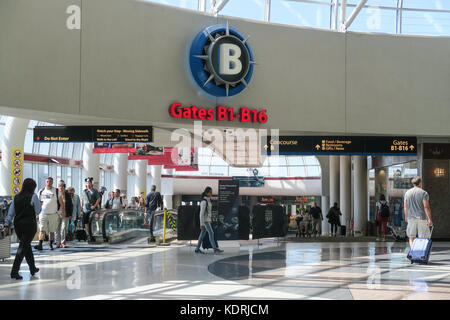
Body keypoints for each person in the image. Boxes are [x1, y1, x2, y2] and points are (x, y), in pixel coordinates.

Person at [3, 178, 41, 280]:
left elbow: (10, 213)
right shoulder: (33, 196)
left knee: (26, 246)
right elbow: (38, 210)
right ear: (32, 187)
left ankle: (32, 268)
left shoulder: (16, 198)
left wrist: (6, 225)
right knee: (22, 248)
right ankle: (14, 272)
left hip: (18, 226)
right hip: (30, 225)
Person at [404, 177, 433, 249]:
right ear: (420, 183)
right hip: (421, 218)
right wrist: (429, 219)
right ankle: (421, 253)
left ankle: (413, 252)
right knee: (423, 237)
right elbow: (426, 206)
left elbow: (405, 207)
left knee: (411, 237)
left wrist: (406, 216)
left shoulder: (407, 193)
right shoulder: (423, 193)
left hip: (411, 218)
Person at [194, 187, 223, 254]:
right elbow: (201, 214)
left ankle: (197, 249)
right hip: (205, 221)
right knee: (211, 233)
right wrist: (201, 224)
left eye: (211, 192)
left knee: (202, 235)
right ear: (207, 193)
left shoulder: (208, 200)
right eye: (210, 192)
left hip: (207, 220)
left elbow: (208, 212)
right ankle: (215, 249)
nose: (211, 193)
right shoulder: (204, 201)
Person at [34, 177, 59, 251]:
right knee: (42, 229)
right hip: (43, 214)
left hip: (53, 214)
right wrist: (37, 212)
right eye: (47, 181)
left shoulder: (56, 191)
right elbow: (39, 202)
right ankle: (40, 244)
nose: (49, 183)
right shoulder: (41, 191)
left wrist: (63, 211)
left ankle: (50, 244)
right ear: (45, 182)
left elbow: (61, 201)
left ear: (53, 182)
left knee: (52, 231)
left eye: (50, 181)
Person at [81, 177, 102, 242]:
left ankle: (93, 234)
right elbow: (82, 199)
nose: (88, 184)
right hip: (85, 209)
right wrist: (81, 207)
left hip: (92, 209)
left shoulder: (95, 191)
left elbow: (98, 199)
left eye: (89, 183)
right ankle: (88, 234)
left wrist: (95, 205)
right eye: (87, 183)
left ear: (91, 183)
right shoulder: (84, 191)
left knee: (92, 222)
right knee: (86, 222)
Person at [55, 180, 73, 248]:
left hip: (66, 214)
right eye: (59, 186)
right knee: (57, 228)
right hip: (57, 213)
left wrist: (71, 214)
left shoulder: (67, 195)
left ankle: (63, 242)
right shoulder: (56, 194)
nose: (60, 187)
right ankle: (57, 242)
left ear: (64, 187)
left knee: (63, 228)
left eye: (62, 186)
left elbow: (71, 205)